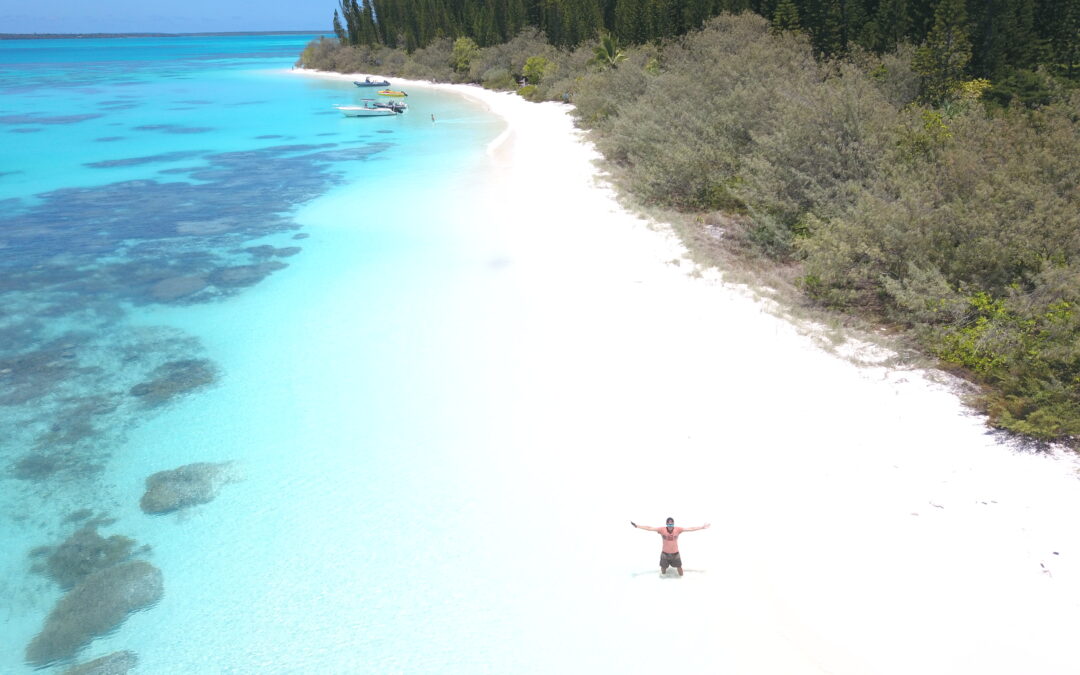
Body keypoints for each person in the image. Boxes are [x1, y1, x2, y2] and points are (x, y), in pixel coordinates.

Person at [631, 517, 710, 576]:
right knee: (663, 569)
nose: (670, 525)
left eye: (671, 524)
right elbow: (650, 528)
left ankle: (681, 581)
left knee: (680, 568)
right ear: (666, 524)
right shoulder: (662, 529)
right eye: (668, 524)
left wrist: (701, 527)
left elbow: (690, 528)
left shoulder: (678, 529)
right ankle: (663, 580)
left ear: (673, 524)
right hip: (665, 554)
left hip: (675, 554)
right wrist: (638, 526)